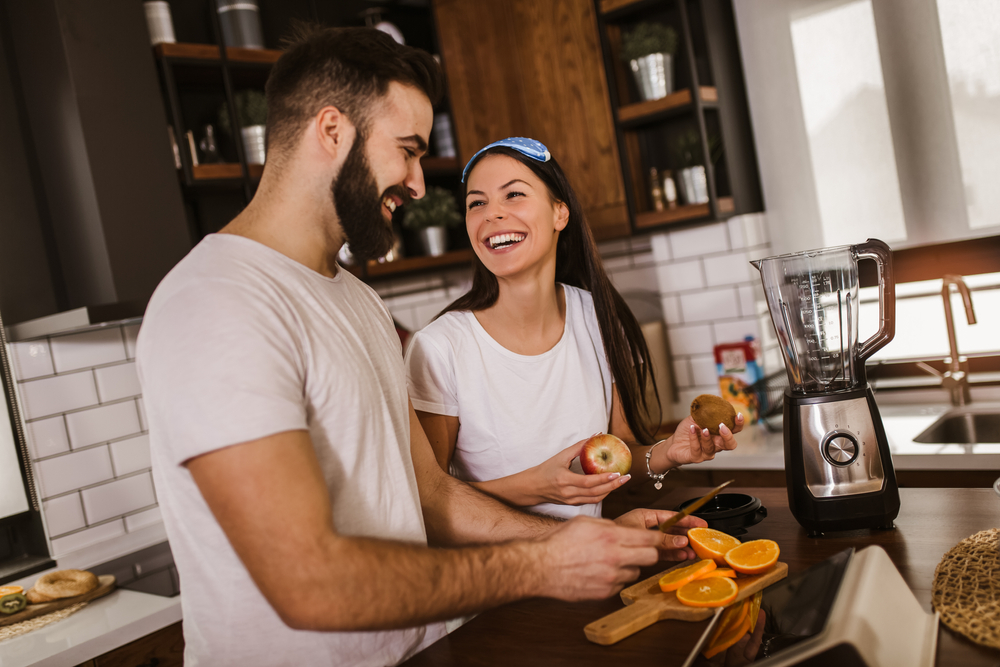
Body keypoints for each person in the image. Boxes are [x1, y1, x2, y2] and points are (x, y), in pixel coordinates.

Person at [136, 27, 705, 667]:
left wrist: (588, 539)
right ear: (332, 131)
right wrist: (542, 564)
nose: (416, 181)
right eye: (406, 150)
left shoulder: (356, 300)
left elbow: (429, 497)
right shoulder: (219, 302)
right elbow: (307, 583)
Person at [405, 138, 743, 519]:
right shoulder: (439, 348)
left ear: (559, 214)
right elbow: (427, 502)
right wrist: (533, 487)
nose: (492, 214)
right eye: (476, 202)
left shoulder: (598, 318)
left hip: (597, 569)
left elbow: (619, 454)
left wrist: (667, 453)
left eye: (513, 194)